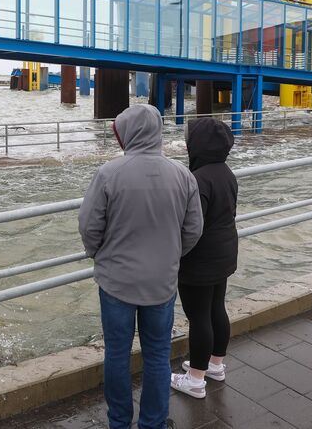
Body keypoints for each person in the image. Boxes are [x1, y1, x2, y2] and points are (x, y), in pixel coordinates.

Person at [79, 104, 204, 429]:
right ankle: (153, 423)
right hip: (161, 283)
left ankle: (119, 422)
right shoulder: (182, 175)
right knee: (158, 356)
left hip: (116, 282)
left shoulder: (108, 174)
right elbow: (193, 230)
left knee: (117, 355)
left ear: (128, 133)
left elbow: (89, 227)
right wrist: (170, 256)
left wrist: (100, 256)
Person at [171, 117, 238, 399]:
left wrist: (177, 252)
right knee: (216, 309)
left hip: (200, 258)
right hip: (224, 251)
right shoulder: (226, 173)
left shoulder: (198, 179)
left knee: (198, 316)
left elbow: (192, 224)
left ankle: (196, 379)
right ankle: (215, 364)